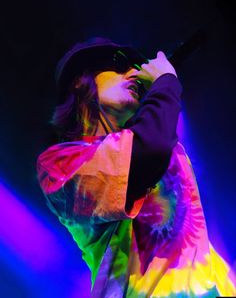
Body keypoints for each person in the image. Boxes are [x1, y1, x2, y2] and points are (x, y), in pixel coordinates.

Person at [37, 37, 236, 297]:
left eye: (137, 67)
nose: (134, 72)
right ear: (79, 80)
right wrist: (165, 83)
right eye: (120, 65)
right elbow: (146, 154)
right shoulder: (59, 165)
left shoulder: (168, 146)